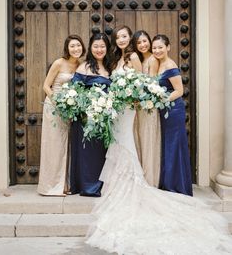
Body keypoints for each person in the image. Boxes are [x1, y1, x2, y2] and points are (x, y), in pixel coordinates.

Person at [85, 33, 232, 254]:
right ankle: (124, 181)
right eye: (119, 37)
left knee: (130, 143)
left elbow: (154, 86)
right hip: (122, 109)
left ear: (168, 47)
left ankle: (137, 181)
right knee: (123, 143)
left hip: (140, 108)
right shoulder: (120, 59)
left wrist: (146, 98)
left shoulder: (145, 59)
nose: (122, 40)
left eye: (126, 37)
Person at [37, 34, 85, 196]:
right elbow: (45, 85)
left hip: (69, 110)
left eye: (78, 45)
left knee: (67, 144)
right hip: (54, 107)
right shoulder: (59, 63)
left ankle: (65, 183)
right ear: (67, 48)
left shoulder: (81, 65)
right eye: (72, 46)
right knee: (54, 145)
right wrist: (57, 102)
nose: (76, 49)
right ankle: (50, 186)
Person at [69, 33, 112, 197]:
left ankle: (102, 184)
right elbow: (74, 92)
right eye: (96, 46)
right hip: (86, 119)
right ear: (91, 48)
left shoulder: (110, 67)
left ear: (107, 48)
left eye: (102, 46)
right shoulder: (84, 67)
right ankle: (87, 185)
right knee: (87, 152)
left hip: (104, 118)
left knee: (103, 152)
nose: (99, 49)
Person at [152, 34, 193, 196]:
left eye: (160, 47)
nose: (157, 50)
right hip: (164, 110)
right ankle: (168, 181)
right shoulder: (159, 64)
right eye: (154, 48)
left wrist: (162, 101)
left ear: (168, 47)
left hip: (173, 109)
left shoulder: (170, 65)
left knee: (173, 145)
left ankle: (176, 185)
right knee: (166, 144)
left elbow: (179, 91)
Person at [132, 30, 161, 187]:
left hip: (148, 107)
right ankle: (140, 178)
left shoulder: (152, 60)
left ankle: (150, 182)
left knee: (148, 141)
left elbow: (151, 84)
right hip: (139, 108)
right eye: (139, 43)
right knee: (140, 141)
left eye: (145, 41)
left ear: (149, 41)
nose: (142, 45)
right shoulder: (140, 60)